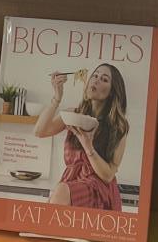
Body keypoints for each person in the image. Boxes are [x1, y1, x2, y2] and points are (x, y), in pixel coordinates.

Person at [34, 62, 130, 211]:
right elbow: (40, 131)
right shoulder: (74, 115)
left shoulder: (118, 127)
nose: (96, 80)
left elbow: (108, 176)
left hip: (99, 189)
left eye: (104, 79)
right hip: (71, 181)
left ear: (112, 91)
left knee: (60, 194)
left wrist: (88, 145)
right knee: (59, 198)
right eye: (95, 76)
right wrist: (57, 97)